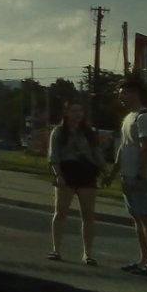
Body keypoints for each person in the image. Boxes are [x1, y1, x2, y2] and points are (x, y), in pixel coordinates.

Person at [105, 79, 147, 277]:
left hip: (142, 177)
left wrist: (140, 175)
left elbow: (146, 148)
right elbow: (123, 148)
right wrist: (113, 173)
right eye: (120, 93)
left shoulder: (144, 118)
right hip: (128, 176)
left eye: (124, 93)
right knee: (137, 219)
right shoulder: (128, 118)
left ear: (135, 93)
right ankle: (143, 260)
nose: (120, 97)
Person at [46, 101, 103, 264]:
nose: (77, 114)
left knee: (88, 214)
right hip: (67, 172)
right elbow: (54, 155)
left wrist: (105, 171)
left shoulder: (88, 132)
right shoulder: (59, 131)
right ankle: (56, 249)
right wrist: (58, 175)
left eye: (80, 111)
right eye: (73, 110)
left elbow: (97, 153)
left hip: (86, 173)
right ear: (66, 113)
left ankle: (88, 253)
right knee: (61, 212)